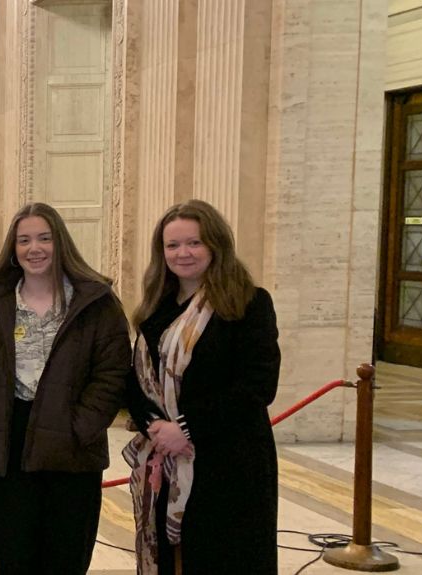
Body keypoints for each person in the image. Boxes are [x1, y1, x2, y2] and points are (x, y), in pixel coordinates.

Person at [0, 202, 129, 575]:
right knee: (10, 558)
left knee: (64, 559)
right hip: (8, 449)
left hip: (71, 451)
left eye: (44, 238)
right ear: (13, 248)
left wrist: (80, 427)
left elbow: (113, 372)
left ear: (60, 242)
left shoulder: (96, 302)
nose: (34, 248)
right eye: (24, 240)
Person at [123, 200, 280, 575]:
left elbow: (257, 385)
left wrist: (187, 428)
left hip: (228, 464)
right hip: (165, 459)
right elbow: (137, 381)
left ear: (216, 245)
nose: (183, 253)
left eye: (193, 243)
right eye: (172, 245)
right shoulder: (155, 307)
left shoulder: (249, 303)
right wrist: (155, 428)